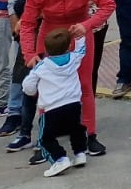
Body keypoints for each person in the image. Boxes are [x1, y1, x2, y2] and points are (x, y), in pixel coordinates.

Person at [20, 0, 116, 161]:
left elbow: (108, 4)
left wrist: (88, 24)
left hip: (79, 33)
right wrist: (29, 53)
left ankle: (90, 134)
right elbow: (27, 23)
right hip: (50, 36)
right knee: (45, 89)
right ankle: (45, 139)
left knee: (84, 86)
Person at [22, 28, 91, 176]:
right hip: (73, 104)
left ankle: (59, 159)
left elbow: (27, 85)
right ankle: (80, 154)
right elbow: (81, 50)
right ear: (67, 47)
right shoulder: (74, 58)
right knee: (76, 129)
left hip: (52, 108)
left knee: (45, 137)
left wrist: (33, 92)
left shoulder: (42, 66)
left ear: (46, 50)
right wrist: (79, 37)